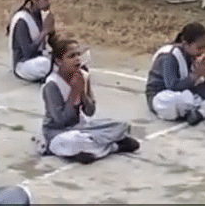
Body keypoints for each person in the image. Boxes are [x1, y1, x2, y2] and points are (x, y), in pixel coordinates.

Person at [39, 35, 139, 163]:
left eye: (78, 55)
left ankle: (91, 151)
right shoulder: (52, 85)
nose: (77, 59)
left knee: (122, 126)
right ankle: (114, 147)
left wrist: (83, 92)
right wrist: (74, 92)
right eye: (71, 56)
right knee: (72, 141)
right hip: (59, 132)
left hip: (82, 127)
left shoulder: (83, 76)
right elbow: (61, 121)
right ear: (59, 61)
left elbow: (90, 112)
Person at [145, 22, 205, 125]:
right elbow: (172, 87)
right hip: (162, 97)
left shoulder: (194, 55)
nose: (203, 51)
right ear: (186, 44)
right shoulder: (169, 57)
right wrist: (195, 75)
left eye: (204, 47)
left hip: (189, 93)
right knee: (181, 100)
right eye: (199, 48)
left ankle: (200, 113)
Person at [7, 0, 55, 82]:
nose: (48, 2)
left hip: (41, 57)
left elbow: (51, 44)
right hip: (23, 65)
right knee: (45, 64)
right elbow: (28, 53)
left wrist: (52, 32)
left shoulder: (42, 15)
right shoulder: (22, 20)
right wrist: (44, 32)